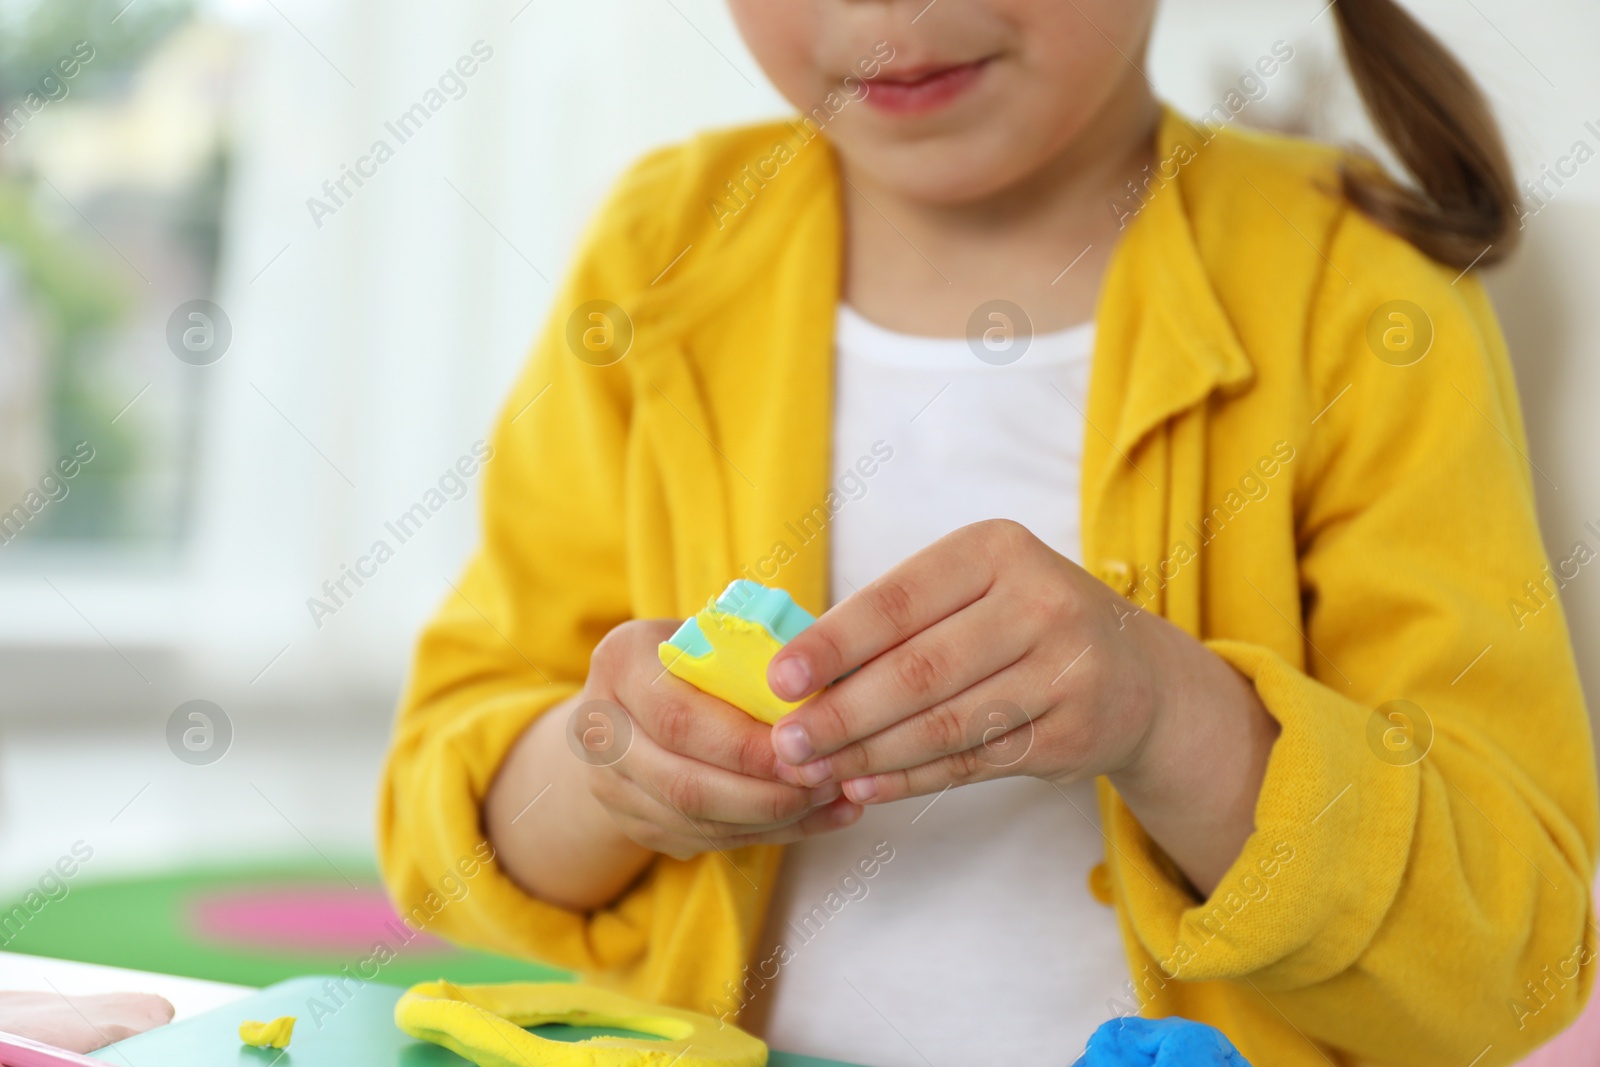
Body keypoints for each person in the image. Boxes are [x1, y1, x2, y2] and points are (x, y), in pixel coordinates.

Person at [377, 0, 1598, 1063]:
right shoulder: (658, 247)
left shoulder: (1355, 292)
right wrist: (610, 766)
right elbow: (446, 833)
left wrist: (1172, 716)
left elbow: (1514, 962)